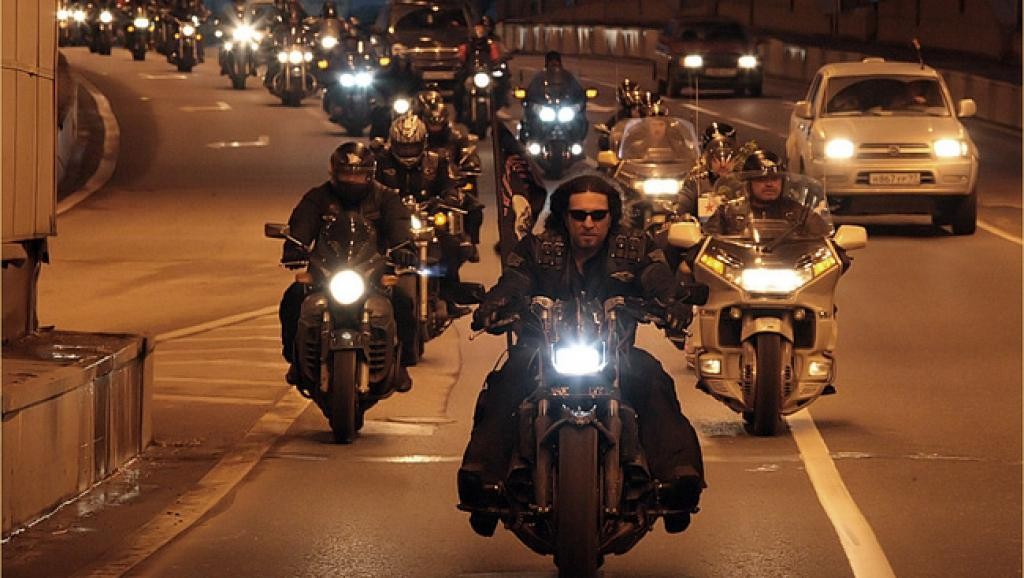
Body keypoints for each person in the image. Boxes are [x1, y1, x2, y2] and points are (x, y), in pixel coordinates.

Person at [458, 173, 705, 536]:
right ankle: (482, 478)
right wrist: (495, 305)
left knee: (654, 380)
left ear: (611, 216)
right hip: (543, 353)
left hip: (614, 353)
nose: (588, 223)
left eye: (598, 214)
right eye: (579, 215)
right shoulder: (538, 249)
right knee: (506, 382)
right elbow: (514, 281)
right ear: (564, 215)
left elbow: (657, 278)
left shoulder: (634, 247)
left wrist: (673, 303)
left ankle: (678, 479)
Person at [278, 142, 419, 394]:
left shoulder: (386, 198)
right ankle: (294, 360)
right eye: (346, 175)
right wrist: (294, 246)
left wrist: (404, 248)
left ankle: (403, 364)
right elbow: (302, 223)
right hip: (326, 271)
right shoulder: (318, 197)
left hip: (372, 272)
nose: (352, 181)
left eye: (358, 175)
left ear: (370, 175)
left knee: (403, 302)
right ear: (334, 173)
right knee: (292, 299)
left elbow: (399, 225)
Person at [373, 114, 479, 314]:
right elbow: (371, 189)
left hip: (426, 219)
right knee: (372, 250)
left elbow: (449, 185)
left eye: (412, 147)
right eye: (402, 147)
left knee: (452, 247)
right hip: (391, 222)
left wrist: (448, 198)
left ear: (423, 143)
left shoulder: (436, 161)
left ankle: (447, 297)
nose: (407, 152)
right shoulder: (380, 162)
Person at [416, 91, 484, 255]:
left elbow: (468, 152)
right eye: (432, 123)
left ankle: (470, 240)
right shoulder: (417, 137)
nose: (435, 127)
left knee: (474, 207)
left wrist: (470, 163)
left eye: (438, 123)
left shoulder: (457, 136)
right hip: (425, 181)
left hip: (451, 183)